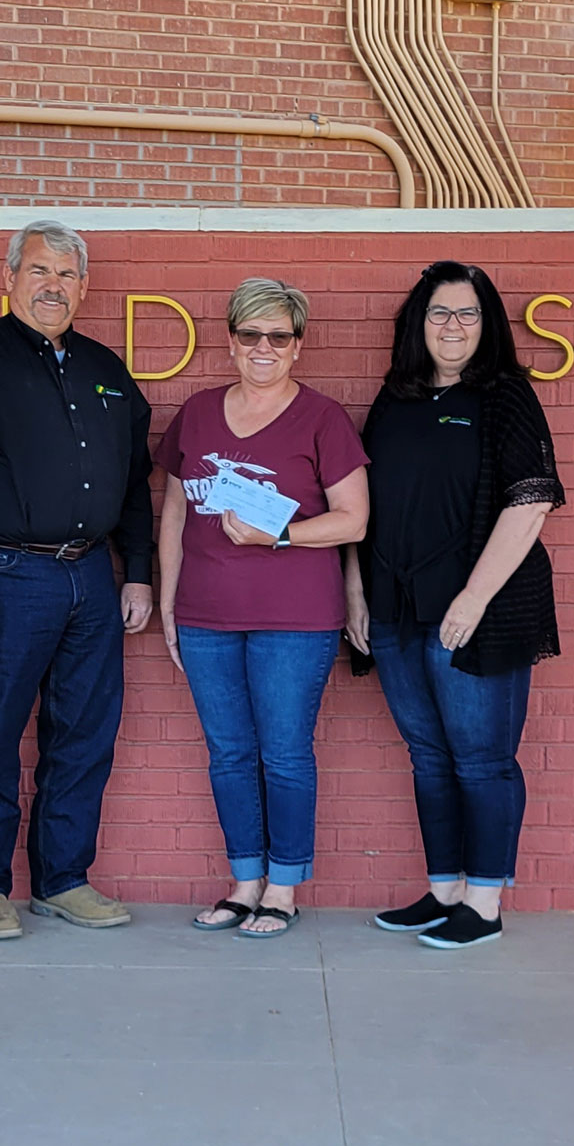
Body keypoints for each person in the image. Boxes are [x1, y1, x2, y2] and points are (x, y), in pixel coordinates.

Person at [0, 220, 155, 941]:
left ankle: (63, 880)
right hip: (9, 578)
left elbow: (136, 485)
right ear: (9, 277)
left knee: (84, 735)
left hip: (93, 584)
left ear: (85, 286)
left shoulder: (106, 369)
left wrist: (136, 574)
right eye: (41, 271)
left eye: (69, 274)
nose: (55, 285)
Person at [345, 261, 564, 949]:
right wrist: (355, 591)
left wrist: (474, 596)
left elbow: (532, 500)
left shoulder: (503, 396)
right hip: (394, 610)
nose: (453, 326)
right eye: (440, 312)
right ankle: (444, 892)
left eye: (468, 313)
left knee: (482, 761)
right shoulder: (395, 396)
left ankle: (485, 901)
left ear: (488, 323)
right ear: (418, 322)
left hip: (474, 613)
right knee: (429, 758)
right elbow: (359, 502)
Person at [156, 278, 369, 937]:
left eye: (279, 335)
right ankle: (244, 880)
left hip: (295, 618)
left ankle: (283, 887)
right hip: (205, 614)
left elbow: (354, 521)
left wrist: (279, 533)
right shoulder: (195, 413)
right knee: (227, 755)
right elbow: (171, 512)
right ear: (230, 341)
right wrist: (168, 603)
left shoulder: (323, 419)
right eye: (250, 334)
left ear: (298, 346)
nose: (264, 347)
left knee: (282, 754)